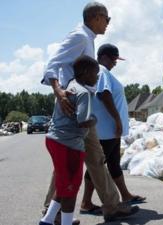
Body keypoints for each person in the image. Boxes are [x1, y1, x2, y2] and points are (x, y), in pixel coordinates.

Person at [41, 2, 139, 224]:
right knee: (69, 164)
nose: (108, 23)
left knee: (95, 158)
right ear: (96, 17)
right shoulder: (79, 37)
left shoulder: (88, 39)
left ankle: (110, 206)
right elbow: (52, 64)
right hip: (73, 108)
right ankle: (55, 212)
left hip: (83, 108)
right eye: (107, 18)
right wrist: (58, 91)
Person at [80, 44, 146, 209]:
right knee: (97, 165)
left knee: (114, 163)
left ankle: (125, 195)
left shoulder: (105, 72)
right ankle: (86, 202)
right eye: (113, 59)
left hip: (111, 131)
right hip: (105, 130)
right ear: (103, 57)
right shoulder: (101, 71)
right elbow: (104, 94)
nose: (115, 63)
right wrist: (117, 120)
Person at [39, 56, 99, 225]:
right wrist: (94, 119)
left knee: (63, 184)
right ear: (86, 72)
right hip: (69, 144)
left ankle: (47, 220)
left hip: (54, 139)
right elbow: (83, 121)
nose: (97, 77)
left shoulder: (68, 86)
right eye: (96, 73)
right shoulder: (84, 92)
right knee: (71, 188)